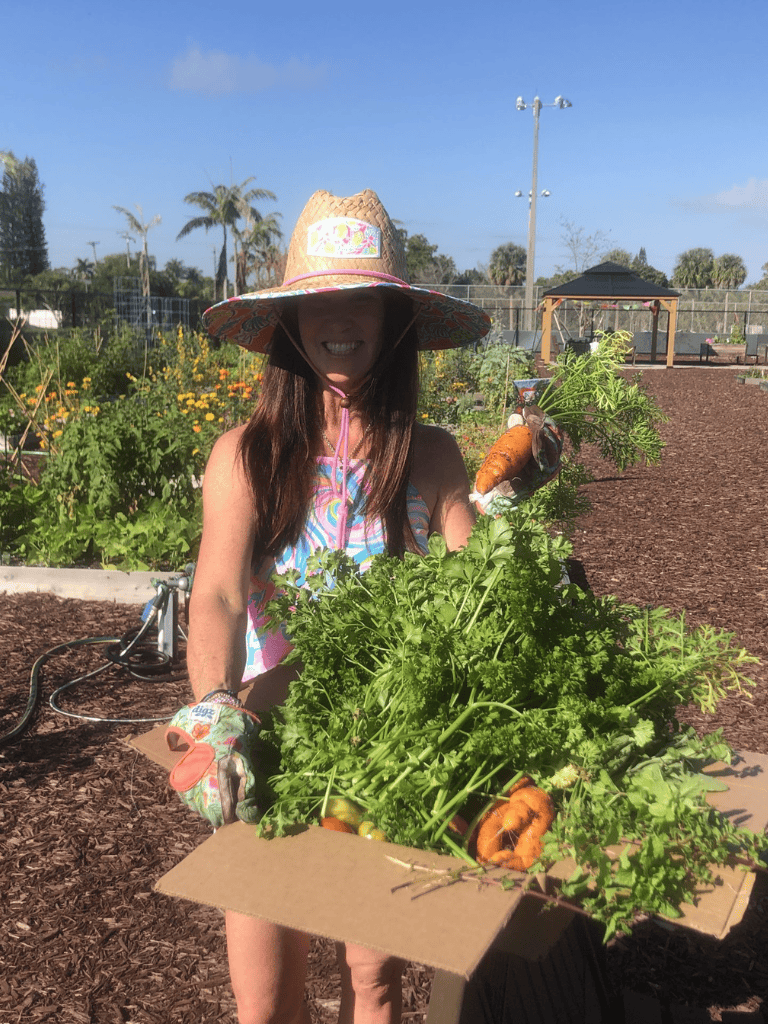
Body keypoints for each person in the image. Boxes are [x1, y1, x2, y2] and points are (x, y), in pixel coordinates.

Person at [178, 188, 494, 1024]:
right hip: (269, 743)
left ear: (393, 320)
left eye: (362, 300)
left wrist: (513, 520)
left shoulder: (431, 457)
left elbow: (480, 584)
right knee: (265, 997)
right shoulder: (247, 455)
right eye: (319, 303)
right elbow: (214, 589)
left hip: (383, 751)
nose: (341, 320)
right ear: (288, 323)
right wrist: (214, 705)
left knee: (375, 984)